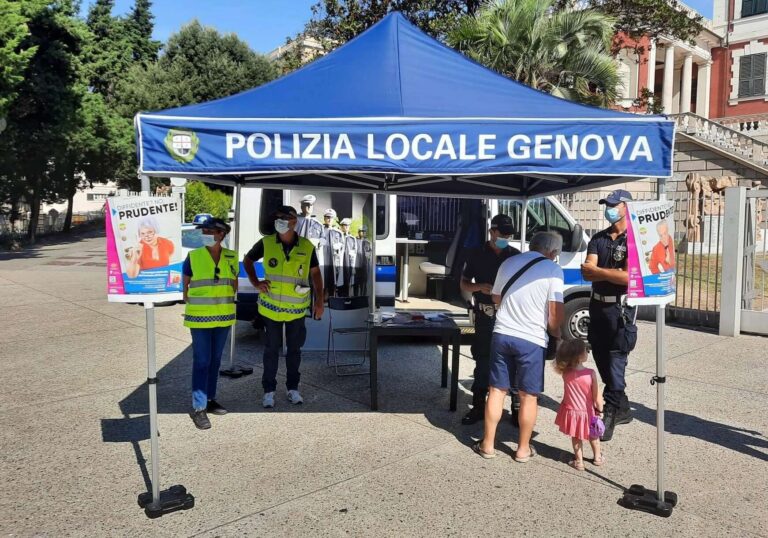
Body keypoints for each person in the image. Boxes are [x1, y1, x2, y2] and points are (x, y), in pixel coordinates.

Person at [473, 232, 564, 461]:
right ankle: (523, 449)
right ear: (552, 253)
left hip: (502, 333)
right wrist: (557, 336)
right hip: (531, 339)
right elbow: (554, 316)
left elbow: (495, 297)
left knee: (496, 390)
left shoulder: (509, 262)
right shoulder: (553, 270)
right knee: (528, 396)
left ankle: (488, 445)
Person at [244, 205, 324, 408]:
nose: (278, 221)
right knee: (271, 350)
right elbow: (248, 259)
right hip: (270, 310)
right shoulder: (267, 242)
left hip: (296, 310)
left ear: (294, 221)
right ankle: (268, 391)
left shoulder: (306, 246)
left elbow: (315, 274)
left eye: (283, 218)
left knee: (294, 351)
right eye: (277, 217)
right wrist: (255, 282)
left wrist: (320, 301)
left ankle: (293, 389)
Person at [580, 189, 638, 442]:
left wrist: (600, 272)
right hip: (597, 306)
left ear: (626, 207)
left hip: (620, 309)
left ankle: (612, 409)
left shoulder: (635, 239)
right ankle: (622, 406)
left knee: (616, 358)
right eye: (607, 204)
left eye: (614, 205)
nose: (609, 209)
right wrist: (608, 273)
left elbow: (628, 277)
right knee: (601, 356)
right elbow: (586, 271)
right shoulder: (599, 238)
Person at [459, 214, 520, 426]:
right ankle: (478, 406)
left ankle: (516, 409)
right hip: (484, 315)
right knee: (483, 361)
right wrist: (479, 287)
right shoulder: (476, 253)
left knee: (511, 362)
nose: (505, 238)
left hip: (508, 316)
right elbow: (464, 283)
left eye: (509, 235)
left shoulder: (515, 256)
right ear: (492, 231)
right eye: (502, 234)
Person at [182, 217, 238, 430]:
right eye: (203, 230)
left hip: (223, 316)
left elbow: (233, 284)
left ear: (221, 234)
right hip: (200, 317)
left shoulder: (232, 256)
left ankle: (210, 398)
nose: (204, 234)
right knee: (202, 360)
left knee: (215, 361)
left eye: (209, 230)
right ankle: (198, 408)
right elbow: (185, 285)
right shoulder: (193, 256)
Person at [553, 338, 605, 470]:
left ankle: (579, 461)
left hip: (572, 412)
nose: (587, 352)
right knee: (594, 436)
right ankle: (597, 457)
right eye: (586, 350)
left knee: (576, 437)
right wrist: (600, 410)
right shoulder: (590, 374)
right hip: (588, 412)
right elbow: (597, 396)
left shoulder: (565, 373)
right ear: (580, 356)